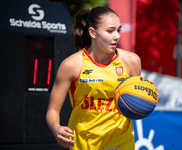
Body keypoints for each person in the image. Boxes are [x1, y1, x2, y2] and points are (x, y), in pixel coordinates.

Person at [46, 6, 141, 150]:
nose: (116, 36)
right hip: (83, 145)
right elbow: (52, 110)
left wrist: (146, 96)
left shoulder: (131, 61)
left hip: (121, 144)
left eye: (118, 30)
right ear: (92, 32)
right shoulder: (71, 65)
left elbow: (136, 109)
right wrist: (56, 128)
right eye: (110, 31)